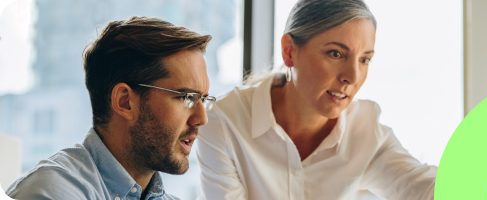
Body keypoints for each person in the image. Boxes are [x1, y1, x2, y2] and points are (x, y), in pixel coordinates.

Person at [196, 0, 437, 199]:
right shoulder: (224, 121)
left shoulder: (366, 130)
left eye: (364, 60)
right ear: (289, 51)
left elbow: (423, 188)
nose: (352, 77)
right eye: (335, 53)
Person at [6, 16, 215, 200]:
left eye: (203, 99)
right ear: (125, 102)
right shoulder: (52, 192)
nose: (202, 118)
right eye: (187, 97)